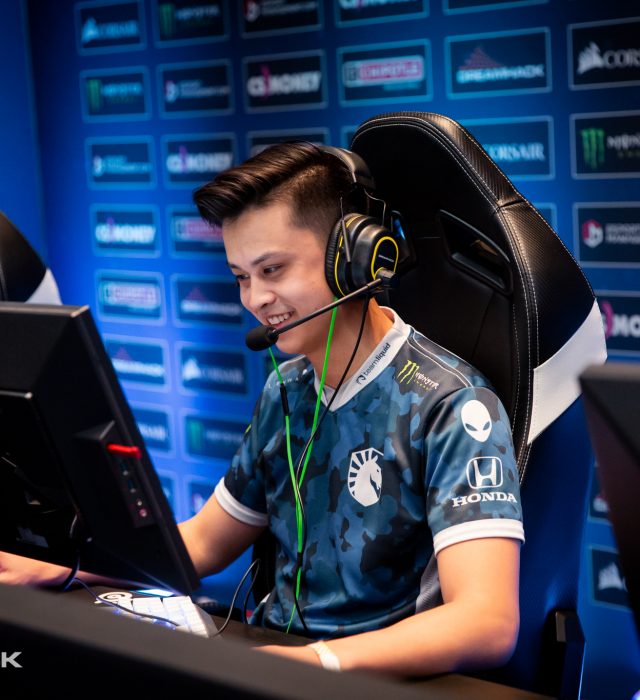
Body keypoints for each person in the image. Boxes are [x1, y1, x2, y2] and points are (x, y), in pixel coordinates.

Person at [0, 142, 523, 677]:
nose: (255, 298)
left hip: (366, 679)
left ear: (352, 259)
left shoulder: (453, 403)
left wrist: (312, 664)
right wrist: (65, 570)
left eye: (272, 269)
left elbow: (486, 622)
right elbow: (203, 544)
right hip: (278, 664)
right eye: (241, 277)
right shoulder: (287, 389)